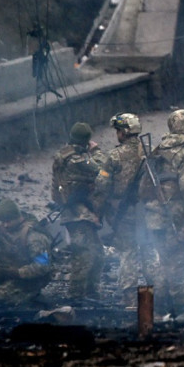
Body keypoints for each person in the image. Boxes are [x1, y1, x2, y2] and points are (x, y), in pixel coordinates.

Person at [138, 109, 184, 315]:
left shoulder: (157, 150)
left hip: (153, 215)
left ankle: (154, 308)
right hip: (176, 215)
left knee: (161, 259)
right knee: (177, 260)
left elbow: (142, 187)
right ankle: (181, 306)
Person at [94, 113, 150, 306]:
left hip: (122, 211)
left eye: (118, 130)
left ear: (125, 132)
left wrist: (97, 212)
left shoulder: (115, 156)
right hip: (146, 211)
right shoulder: (148, 151)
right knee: (150, 249)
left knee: (128, 251)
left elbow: (102, 185)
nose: (116, 134)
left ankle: (129, 296)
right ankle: (161, 290)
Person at [51, 121, 106, 302]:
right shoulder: (76, 159)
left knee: (97, 252)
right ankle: (76, 296)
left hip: (80, 212)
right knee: (83, 254)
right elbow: (101, 170)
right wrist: (96, 151)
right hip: (77, 213)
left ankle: (91, 292)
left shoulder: (64, 154)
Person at [0, 198, 54, 306]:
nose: (5, 225)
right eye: (3, 221)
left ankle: (32, 295)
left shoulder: (34, 236)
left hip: (29, 278)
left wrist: (17, 272)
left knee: (1, 297)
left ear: (18, 217)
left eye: (8, 221)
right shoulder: (2, 229)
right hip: (8, 271)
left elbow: (43, 266)